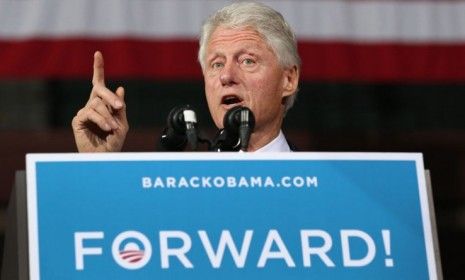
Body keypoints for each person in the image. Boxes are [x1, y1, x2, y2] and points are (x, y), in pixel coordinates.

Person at [71, 1, 300, 152]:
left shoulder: (328, 188)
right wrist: (98, 166)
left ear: (288, 80)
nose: (226, 76)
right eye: (216, 64)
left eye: (247, 61)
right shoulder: (173, 186)